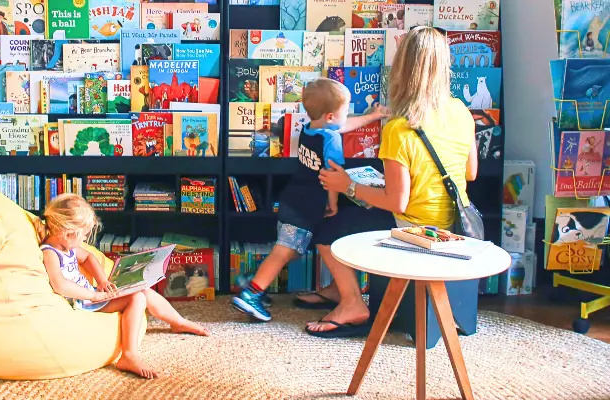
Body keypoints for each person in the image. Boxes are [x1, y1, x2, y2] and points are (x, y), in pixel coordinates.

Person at [298, 27, 478, 337]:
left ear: (403, 70)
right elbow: (470, 173)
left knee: (327, 229)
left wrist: (348, 186)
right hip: (449, 221)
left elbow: (397, 203)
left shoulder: (398, 128)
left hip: (414, 226)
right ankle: (336, 288)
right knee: (352, 213)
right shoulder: (461, 110)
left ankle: (352, 303)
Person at [232, 78, 388, 322]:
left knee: (290, 251)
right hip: (308, 206)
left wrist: (372, 116)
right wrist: (333, 203)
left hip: (293, 198)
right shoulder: (332, 140)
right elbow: (333, 177)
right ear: (329, 116)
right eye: (344, 110)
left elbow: (341, 126)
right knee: (284, 252)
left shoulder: (310, 127)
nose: (347, 114)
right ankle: (252, 293)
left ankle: (254, 279)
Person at [39, 195, 209, 379]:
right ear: (67, 232)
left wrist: (102, 281)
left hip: (92, 297)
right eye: (84, 234)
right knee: (136, 297)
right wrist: (94, 296)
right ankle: (129, 355)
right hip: (83, 304)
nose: (85, 239)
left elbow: (89, 258)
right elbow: (60, 285)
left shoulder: (67, 247)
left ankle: (178, 322)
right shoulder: (50, 253)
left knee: (141, 289)